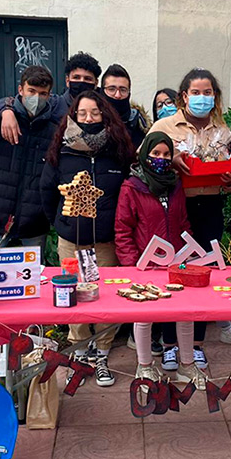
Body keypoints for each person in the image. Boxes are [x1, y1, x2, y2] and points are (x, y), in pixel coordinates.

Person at [149, 68, 231, 362]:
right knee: (173, 274)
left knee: (202, 277)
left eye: (207, 92)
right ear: (184, 96)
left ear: (215, 97)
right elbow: (146, 163)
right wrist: (171, 163)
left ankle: (195, 345)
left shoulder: (223, 132)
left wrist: (230, 180)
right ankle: (170, 344)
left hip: (209, 208)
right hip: (175, 207)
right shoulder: (164, 127)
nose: (202, 98)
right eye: (195, 92)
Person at [41, 91, 135, 387]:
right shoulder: (63, 150)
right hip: (71, 240)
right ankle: (80, 355)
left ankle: (103, 353)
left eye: (94, 113)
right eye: (82, 114)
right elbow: (46, 189)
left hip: (106, 240)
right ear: (73, 116)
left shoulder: (117, 150)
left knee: (107, 297)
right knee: (73, 300)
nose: (89, 119)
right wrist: (60, 223)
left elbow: (128, 192)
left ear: (104, 115)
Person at [114, 132, 207, 389]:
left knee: (185, 314)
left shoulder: (176, 184)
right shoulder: (132, 187)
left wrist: (189, 252)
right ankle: (144, 366)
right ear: (145, 155)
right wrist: (132, 265)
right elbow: (123, 229)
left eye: (167, 154)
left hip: (177, 261)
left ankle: (186, 365)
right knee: (144, 316)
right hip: (145, 263)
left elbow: (184, 221)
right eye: (156, 154)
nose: (162, 159)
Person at [0, 65, 57, 251]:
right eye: (31, 91)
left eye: (42, 93)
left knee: (35, 278)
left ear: (49, 95)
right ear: (20, 90)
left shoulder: (54, 132)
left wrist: (44, 208)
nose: (36, 98)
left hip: (34, 224)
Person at [0, 52, 101, 145]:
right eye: (76, 77)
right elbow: (14, 101)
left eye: (87, 79)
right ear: (67, 81)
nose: (81, 82)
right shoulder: (54, 103)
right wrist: (7, 112)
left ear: (96, 83)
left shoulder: (103, 108)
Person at [100, 63, 150, 149]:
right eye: (111, 89)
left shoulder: (139, 124)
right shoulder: (92, 119)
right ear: (102, 91)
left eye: (123, 90)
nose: (117, 95)